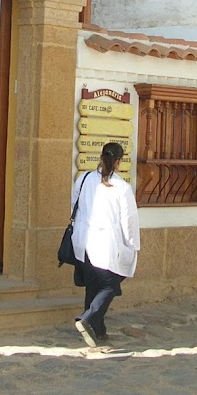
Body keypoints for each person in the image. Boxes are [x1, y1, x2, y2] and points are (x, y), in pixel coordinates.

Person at [70, 141, 140, 348]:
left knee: (92, 286)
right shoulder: (122, 188)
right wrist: (132, 245)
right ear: (118, 162)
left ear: (101, 157)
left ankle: (98, 331)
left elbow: (74, 205)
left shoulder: (83, 179)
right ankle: (88, 318)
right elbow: (128, 221)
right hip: (107, 243)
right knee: (111, 284)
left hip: (84, 241)